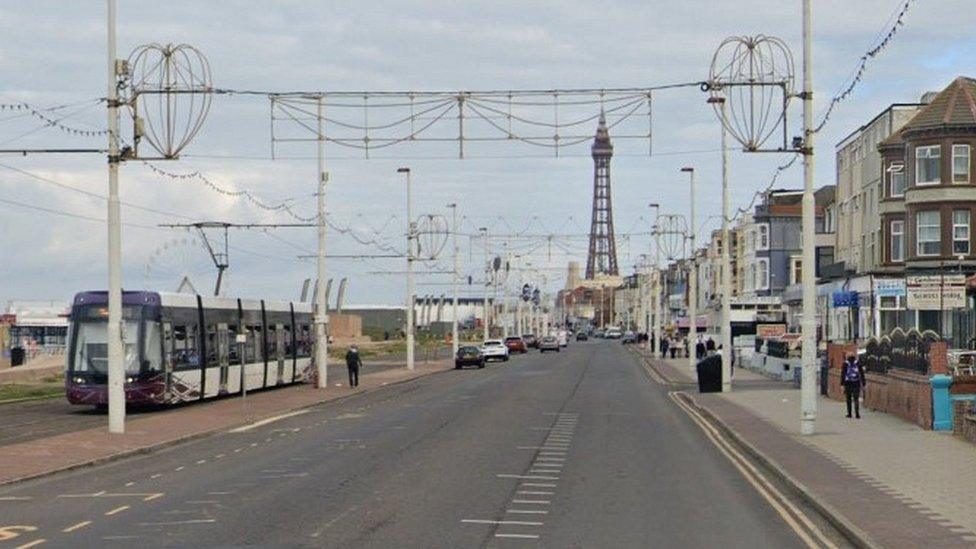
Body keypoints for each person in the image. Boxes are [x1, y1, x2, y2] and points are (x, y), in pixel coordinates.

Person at [841, 353, 865, 419]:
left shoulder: (845, 364)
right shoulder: (858, 363)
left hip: (848, 383)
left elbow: (843, 374)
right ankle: (857, 414)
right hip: (856, 383)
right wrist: (863, 383)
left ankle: (849, 414)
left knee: (848, 399)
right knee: (856, 399)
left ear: (847, 357)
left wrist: (842, 384)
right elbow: (862, 373)